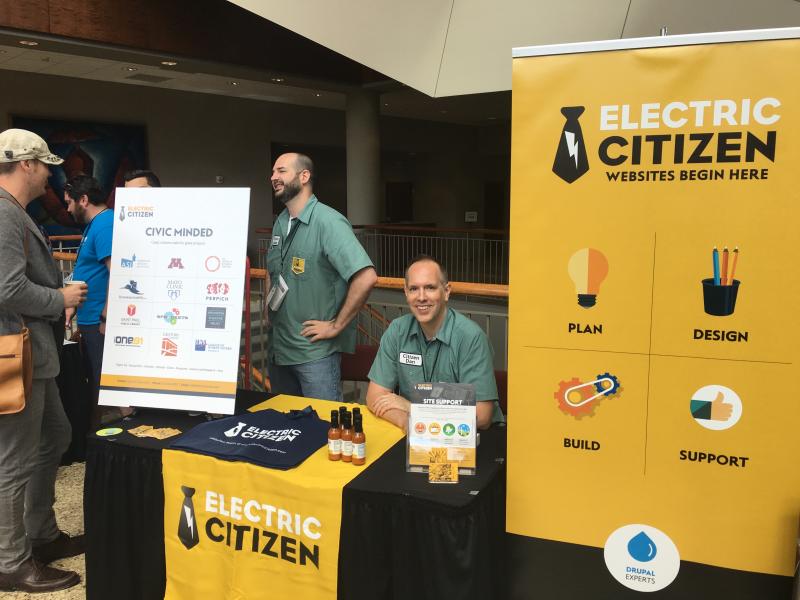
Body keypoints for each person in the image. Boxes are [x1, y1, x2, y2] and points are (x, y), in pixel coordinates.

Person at [0, 128, 87, 593]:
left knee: (55, 436)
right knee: (14, 461)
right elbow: (7, 289)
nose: (53, 174)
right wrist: (60, 296)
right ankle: (11, 561)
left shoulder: (13, 212)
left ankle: (42, 534)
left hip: (34, 355)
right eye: (47, 165)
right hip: (17, 355)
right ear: (28, 165)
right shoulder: (3, 214)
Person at [266, 152, 377, 400]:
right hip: (279, 349)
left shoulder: (329, 221)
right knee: (284, 430)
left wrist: (336, 326)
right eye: (273, 172)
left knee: (321, 428)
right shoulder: (280, 222)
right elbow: (273, 271)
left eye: (281, 171)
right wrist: (266, 307)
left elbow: (366, 277)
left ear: (304, 176)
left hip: (314, 355)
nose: (273, 177)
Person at [367, 255, 504, 431]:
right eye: (414, 289)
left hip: (473, 438)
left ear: (446, 292)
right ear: (406, 293)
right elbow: (374, 396)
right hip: (419, 432)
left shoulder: (471, 337)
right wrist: (406, 422)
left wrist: (411, 408)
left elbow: (481, 416)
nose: (421, 297)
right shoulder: (397, 331)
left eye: (430, 288)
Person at [64, 175, 113, 426]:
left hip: (99, 321)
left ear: (83, 199)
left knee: (101, 382)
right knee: (95, 379)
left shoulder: (104, 224)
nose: (68, 209)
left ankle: (98, 439)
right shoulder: (95, 225)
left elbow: (117, 273)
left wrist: (106, 316)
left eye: (70, 202)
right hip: (90, 318)